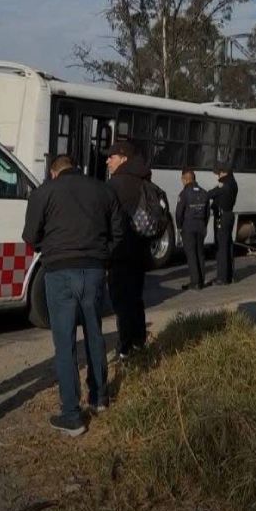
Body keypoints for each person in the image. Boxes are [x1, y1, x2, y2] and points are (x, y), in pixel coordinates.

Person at [23, 155, 125, 436]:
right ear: (76, 169)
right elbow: (118, 231)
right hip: (93, 271)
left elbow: (30, 236)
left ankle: (71, 414)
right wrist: (102, 255)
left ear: (54, 173)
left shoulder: (43, 193)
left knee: (65, 342)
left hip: (59, 272)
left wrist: (51, 245)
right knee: (94, 333)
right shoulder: (103, 189)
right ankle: (99, 397)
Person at [104, 141, 154, 359]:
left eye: (111, 156)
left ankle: (124, 349)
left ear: (123, 158)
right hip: (141, 251)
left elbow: (107, 220)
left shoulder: (116, 184)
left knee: (121, 301)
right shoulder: (144, 180)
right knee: (135, 298)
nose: (107, 160)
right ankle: (139, 342)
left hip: (121, 251)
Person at [175, 169, 210, 291]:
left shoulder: (184, 194)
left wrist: (179, 226)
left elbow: (179, 213)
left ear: (185, 179)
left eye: (182, 180)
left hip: (188, 227)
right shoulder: (204, 193)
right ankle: (201, 280)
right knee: (200, 253)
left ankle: (195, 282)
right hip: (201, 226)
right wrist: (204, 225)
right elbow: (207, 213)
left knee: (191, 255)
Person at [207, 165, 239, 286]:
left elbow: (210, 194)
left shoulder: (225, 184)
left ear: (224, 173)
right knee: (228, 246)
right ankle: (230, 276)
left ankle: (222, 278)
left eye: (219, 174)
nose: (218, 177)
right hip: (229, 215)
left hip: (222, 217)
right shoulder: (233, 183)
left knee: (221, 248)